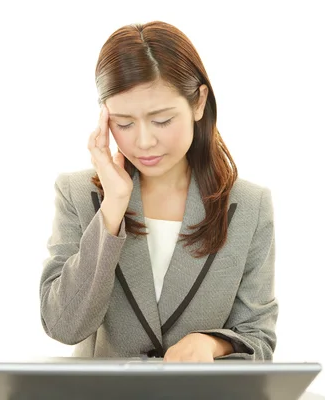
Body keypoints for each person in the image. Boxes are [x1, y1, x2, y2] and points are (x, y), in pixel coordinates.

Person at [39, 21, 278, 362]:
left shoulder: (249, 206)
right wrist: (113, 206)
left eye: (162, 120)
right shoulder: (78, 194)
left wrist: (212, 343)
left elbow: (258, 337)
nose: (144, 141)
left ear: (198, 103)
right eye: (124, 123)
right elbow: (63, 326)